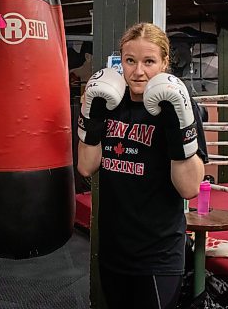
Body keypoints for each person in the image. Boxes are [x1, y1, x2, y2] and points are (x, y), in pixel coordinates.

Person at [77, 22, 207, 309]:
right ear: (121, 62)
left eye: (149, 61)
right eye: (130, 61)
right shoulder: (108, 101)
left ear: (164, 62)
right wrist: (91, 117)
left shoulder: (181, 105)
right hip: (113, 249)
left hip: (158, 254)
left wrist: (178, 129)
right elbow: (86, 167)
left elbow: (188, 188)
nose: (138, 72)